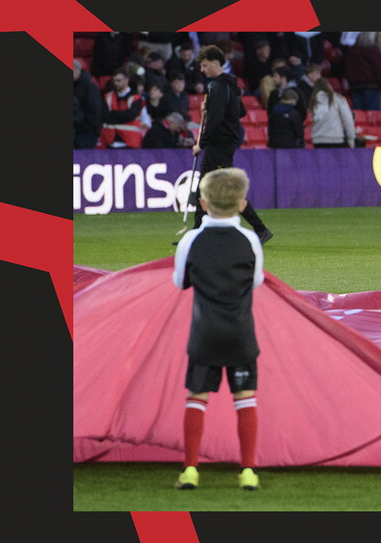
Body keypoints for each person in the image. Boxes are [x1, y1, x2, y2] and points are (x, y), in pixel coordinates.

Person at [172, 167, 265, 492]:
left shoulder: (191, 240)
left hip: (204, 332)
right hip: (240, 332)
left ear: (202, 202)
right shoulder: (250, 239)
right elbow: (255, 282)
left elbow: (180, 282)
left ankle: (190, 469)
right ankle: (248, 471)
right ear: (242, 204)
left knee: (196, 398)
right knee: (245, 398)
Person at [189, 45, 273, 244]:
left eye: (205, 65)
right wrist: (210, 107)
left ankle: (260, 228)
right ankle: (196, 233)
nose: (202, 70)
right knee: (204, 187)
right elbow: (241, 112)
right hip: (225, 141)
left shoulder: (218, 86)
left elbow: (216, 120)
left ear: (216, 63)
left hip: (220, 143)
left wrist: (201, 143)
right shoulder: (230, 84)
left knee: (225, 188)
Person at [100, 67, 151, 149]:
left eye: (118, 80)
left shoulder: (136, 98)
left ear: (126, 80)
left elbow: (130, 115)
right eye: (114, 80)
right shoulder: (107, 96)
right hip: (110, 141)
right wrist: (121, 115)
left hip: (129, 142)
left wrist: (112, 113)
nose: (115, 83)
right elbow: (104, 115)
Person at [308, 75, 357, 148]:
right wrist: (351, 137)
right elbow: (347, 119)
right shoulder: (337, 98)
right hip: (335, 138)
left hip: (318, 140)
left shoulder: (313, 100)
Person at [343, 31, 381, 111]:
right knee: (372, 117)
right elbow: (379, 70)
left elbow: (348, 68)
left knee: (359, 116)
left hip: (356, 87)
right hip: (372, 87)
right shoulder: (374, 50)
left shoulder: (352, 50)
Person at [73, 58, 103, 149]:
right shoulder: (75, 85)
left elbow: (94, 110)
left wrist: (84, 125)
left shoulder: (89, 86)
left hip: (86, 131)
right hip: (76, 129)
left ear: (77, 70)